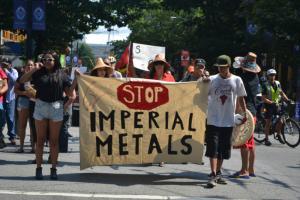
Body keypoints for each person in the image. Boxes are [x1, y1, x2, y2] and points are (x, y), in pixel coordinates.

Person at [20, 51, 75, 180]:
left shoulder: (62, 74)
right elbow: (23, 81)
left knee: (54, 141)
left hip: (56, 106)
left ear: (55, 61)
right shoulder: (38, 73)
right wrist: (34, 69)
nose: (47, 61)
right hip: (41, 106)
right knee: (40, 140)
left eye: (50, 59)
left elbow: (70, 93)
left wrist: (76, 80)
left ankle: (53, 169)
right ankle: (38, 169)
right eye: (44, 59)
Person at [205, 55, 247, 188]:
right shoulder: (211, 80)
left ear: (228, 67)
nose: (221, 69)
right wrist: (202, 81)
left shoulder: (237, 80)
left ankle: (218, 173)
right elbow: (200, 94)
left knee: (223, 149)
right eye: (219, 67)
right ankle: (212, 174)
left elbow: (241, 98)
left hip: (228, 121)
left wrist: (244, 113)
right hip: (213, 119)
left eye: (223, 67)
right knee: (213, 148)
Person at [230, 52, 261, 178]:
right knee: (251, 142)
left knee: (244, 141)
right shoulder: (256, 78)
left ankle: (244, 170)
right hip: (253, 111)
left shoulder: (243, 78)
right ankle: (251, 169)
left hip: (245, 112)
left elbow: (240, 96)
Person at [262, 68, 291, 146]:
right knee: (268, 122)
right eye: (271, 75)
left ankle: (278, 134)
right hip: (268, 105)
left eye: (274, 75)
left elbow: (281, 92)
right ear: (268, 76)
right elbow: (263, 98)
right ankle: (266, 139)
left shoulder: (278, 83)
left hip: (276, 104)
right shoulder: (265, 85)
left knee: (281, 121)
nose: (273, 76)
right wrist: (271, 102)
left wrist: (287, 100)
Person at [14, 60, 35, 153]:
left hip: (34, 101)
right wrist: (25, 93)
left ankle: (33, 147)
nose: (30, 67)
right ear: (25, 67)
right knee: (22, 125)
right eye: (28, 65)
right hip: (23, 101)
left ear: (34, 66)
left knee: (33, 125)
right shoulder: (21, 77)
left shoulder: (36, 77)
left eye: (31, 65)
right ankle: (21, 146)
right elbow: (15, 90)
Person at [0, 58, 18, 145]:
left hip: (10, 98)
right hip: (1, 99)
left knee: (10, 118)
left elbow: (15, 81)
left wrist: (6, 71)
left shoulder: (13, 71)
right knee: (1, 119)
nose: (5, 65)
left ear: (10, 64)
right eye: (4, 63)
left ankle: (12, 136)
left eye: (7, 63)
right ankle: (1, 137)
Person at [0, 65, 8, 148]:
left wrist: (1, 91)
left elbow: (6, 86)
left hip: (0, 101)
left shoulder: (1, 71)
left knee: (2, 121)